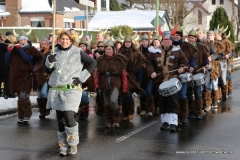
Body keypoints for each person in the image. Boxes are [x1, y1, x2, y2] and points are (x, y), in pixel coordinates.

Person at [45, 30, 96, 156]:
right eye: (62, 39)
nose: (64, 41)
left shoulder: (77, 51)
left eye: (67, 39)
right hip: (57, 88)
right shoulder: (53, 52)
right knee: (60, 118)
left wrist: (82, 77)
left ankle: (73, 143)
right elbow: (47, 70)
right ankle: (63, 144)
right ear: (59, 40)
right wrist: (50, 61)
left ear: (71, 40)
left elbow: (93, 62)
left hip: (72, 88)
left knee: (68, 115)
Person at [146, 30, 189, 132]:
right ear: (162, 41)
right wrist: (151, 72)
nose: (166, 41)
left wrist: (182, 68)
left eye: (168, 39)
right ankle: (165, 122)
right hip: (159, 80)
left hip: (172, 80)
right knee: (162, 101)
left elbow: (185, 62)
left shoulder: (177, 51)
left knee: (173, 101)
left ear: (171, 40)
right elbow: (148, 63)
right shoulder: (154, 51)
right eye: (164, 39)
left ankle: (173, 123)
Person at [5, 29, 43, 123]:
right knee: (19, 96)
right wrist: (9, 51)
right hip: (15, 76)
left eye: (24, 40)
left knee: (23, 94)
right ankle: (21, 115)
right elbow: (7, 61)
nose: (22, 41)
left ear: (27, 40)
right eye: (20, 40)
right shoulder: (15, 49)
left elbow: (27, 59)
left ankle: (27, 114)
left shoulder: (31, 49)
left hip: (26, 76)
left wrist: (20, 49)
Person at [94, 40, 128, 128]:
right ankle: (109, 121)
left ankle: (116, 120)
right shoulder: (100, 60)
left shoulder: (119, 60)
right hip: (104, 83)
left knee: (113, 100)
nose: (108, 51)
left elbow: (123, 75)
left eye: (110, 49)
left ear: (113, 50)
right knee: (107, 103)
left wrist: (124, 88)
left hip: (115, 83)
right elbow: (97, 74)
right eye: (107, 49)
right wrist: (97, 86)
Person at [172, 27, 197, 125]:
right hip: (172, 75)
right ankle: (174, 117)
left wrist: (191, 66)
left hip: (183, 74)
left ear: (181, 36)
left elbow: (193, 58)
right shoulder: (169, 45)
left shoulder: (188, 46)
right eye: (174, 35)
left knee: (182, 94)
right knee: (174, 96)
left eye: (177, 35)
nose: (175, 37)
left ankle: (183, 116)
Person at [118, 34, 145, 121]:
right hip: (121, 76)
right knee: (123, 94)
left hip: (131, 77)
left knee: (128, 94)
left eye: (129, 42)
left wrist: (139, 79)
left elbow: (140, 67)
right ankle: (125, 113)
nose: (127, 44)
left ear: (131, 43)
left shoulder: (136, 53)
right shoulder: (119, 52)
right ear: (124, 43)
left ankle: (130, 112)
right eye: (126, 42)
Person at [187, 29, 209, 120]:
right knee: (188, 93)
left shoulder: (201, 47)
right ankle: (190, 112)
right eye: (189, 38)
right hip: (188, 73)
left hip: (198, 73)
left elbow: (205, 58)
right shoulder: (184, 48)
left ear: (195, 39)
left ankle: (198, 112)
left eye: (192, 38)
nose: (191, 40)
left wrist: (206, 64)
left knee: (197, 93)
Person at [214, 26, 234, 101]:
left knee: (224, 77)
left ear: (219, 34)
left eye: (215, 34)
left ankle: (226, 92)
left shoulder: (227, 42)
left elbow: (232, 52)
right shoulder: (214, 42)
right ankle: (219, 94)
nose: (214, 36)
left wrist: (228, 55)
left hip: (224, 62)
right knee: (217, 78)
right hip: (215, 62)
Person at [77, 39, 94, 120]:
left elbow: (90, 63)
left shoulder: (89, 55)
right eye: (80, 46)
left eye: (84, 46)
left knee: (84, 95)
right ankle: (79, 112)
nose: (82, 47)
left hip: (86, 79)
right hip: (76, 79)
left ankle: (84, 113)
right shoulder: (75, 54)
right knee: (77, 96)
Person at [138, 34, 154, 117]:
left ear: (148, 42)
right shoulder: (138, 51)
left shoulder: (152, 51)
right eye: (143, 41)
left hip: (149, 74)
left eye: (146, 41)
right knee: (142, 92)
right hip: (140, 74)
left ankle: (150, 109)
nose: (144, 42)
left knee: (148, 91)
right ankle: (143, 109)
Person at [36, 38, 51, 119]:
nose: (44, 45)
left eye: (45, 43)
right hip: (38, 76)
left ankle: (47, 109)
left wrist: (40, 53)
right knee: (39, 95)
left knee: (44, 93)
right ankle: (42, 112)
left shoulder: (49, 52)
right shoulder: (39, 53)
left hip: (46, 76)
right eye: (42, 44)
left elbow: (45, 59)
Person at [0, 33, 10, 99]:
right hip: (5, 66)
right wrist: (5, 40)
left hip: (4, 66)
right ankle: (7, 94)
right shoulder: (3, 45)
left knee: (7, 80)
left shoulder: (3, 45)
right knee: (7, 80)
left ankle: (6, 93)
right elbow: (11, 46)